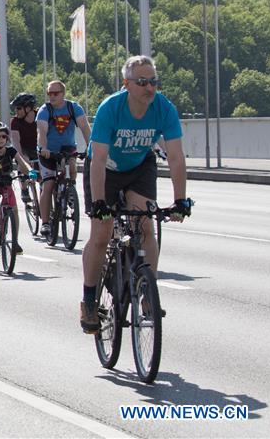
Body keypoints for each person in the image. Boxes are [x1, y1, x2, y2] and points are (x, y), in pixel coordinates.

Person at [80, 56, 192, 333]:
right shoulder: (111, 108)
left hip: (139, 167)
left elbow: (176, 157)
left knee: (146, 226)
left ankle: (146, 294)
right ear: (127, 84)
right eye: (142, 82)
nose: (150, 88)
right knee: (101, 234)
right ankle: (90, 299)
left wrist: (180, 201)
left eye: (153, 81)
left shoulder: (164, 108)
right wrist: (99, 204)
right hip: (105, 169)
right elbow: (98, 158)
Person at [36, 80, 92, 240]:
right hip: (47, 150)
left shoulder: (73, 108)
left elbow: (85, 128)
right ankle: (46, 223)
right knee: (48, 184)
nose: (52, 96)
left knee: (72, 166)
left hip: (67, 147)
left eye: (56, 93)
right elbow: (42, 131)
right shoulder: (44, 110)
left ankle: (70, 193)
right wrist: (44, 148)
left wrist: (91, 147)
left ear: (63, 94)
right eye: (49, 93)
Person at [0, 121, 38, 254]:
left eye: (4, 136)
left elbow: (22, 163)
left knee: (14, 210)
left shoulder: (11, 151)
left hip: (6, 182)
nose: (1, 139)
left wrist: (30, 171)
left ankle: (15, 241)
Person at [10, 92, 40, 203]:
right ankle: (24, 189)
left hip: (38, 147)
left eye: (18, 108)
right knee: (22, 162)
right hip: (23, 148)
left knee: (44, 175)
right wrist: (22, 157)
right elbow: (16, 141)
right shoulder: (15, 121)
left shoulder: (40, 116)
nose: (16, 112)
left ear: (28, 108)